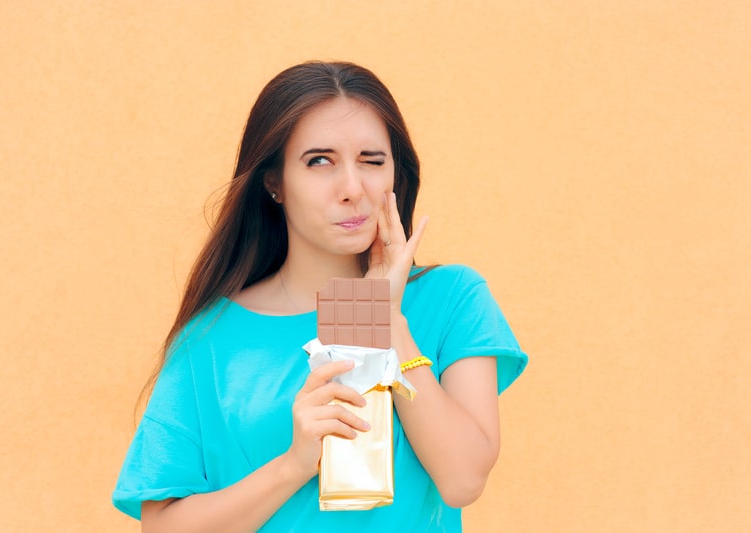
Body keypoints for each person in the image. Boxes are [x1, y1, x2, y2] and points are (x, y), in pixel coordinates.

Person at [112, 61, 527, 532]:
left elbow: (463, 479)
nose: (353, 189)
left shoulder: (451, 298)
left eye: (373, 161)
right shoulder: (209, 338)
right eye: (320, 161)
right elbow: (162, 527)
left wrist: (384, 316)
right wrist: (293, 464)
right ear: (274, 182)